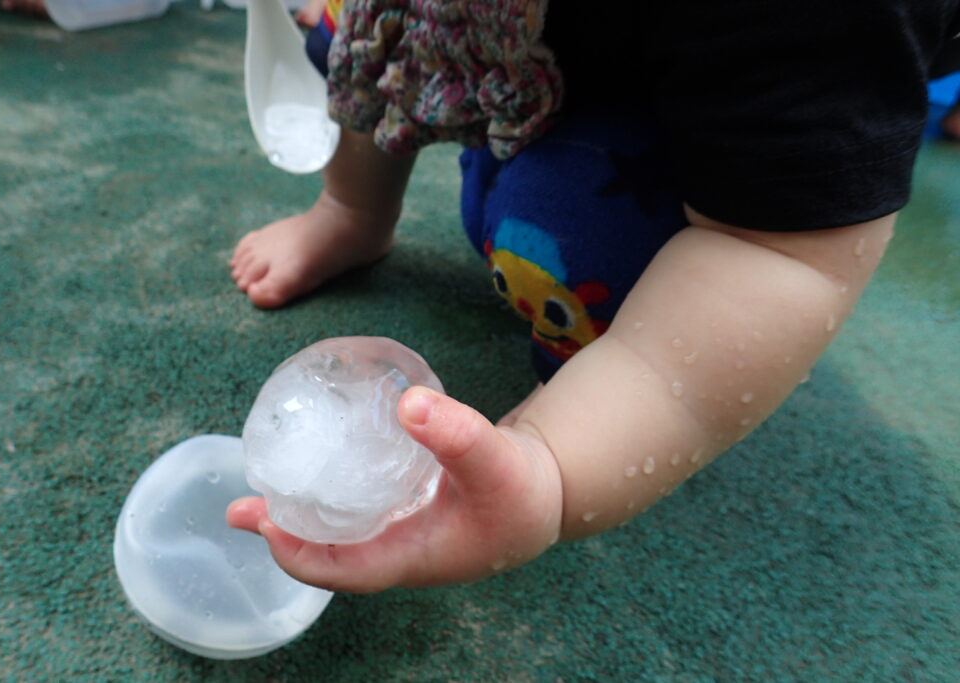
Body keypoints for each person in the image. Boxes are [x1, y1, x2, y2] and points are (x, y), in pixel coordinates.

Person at [227, 0, 960, 593]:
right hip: (550, 34)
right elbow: (381, 36)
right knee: (357, 27)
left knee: (562, 238)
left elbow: (772, 252)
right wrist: (351, 210)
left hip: (747, 104)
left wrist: (552, 463)